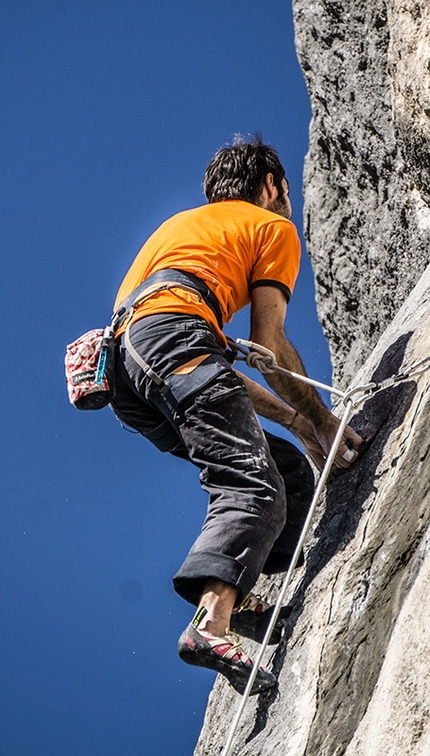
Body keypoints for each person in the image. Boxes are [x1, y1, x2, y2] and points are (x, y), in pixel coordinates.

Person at [109, 134, 363, 695]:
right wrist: (324, 420)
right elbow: (267, 344)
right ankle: (211, 625)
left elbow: (211, 373)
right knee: (251, 483)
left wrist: (297, 424)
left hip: (131, 369)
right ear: (271, 186)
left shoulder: (182, 229)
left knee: (289, 474)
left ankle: (236, 592)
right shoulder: (270, 226)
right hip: (174, 342)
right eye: (285, 192)